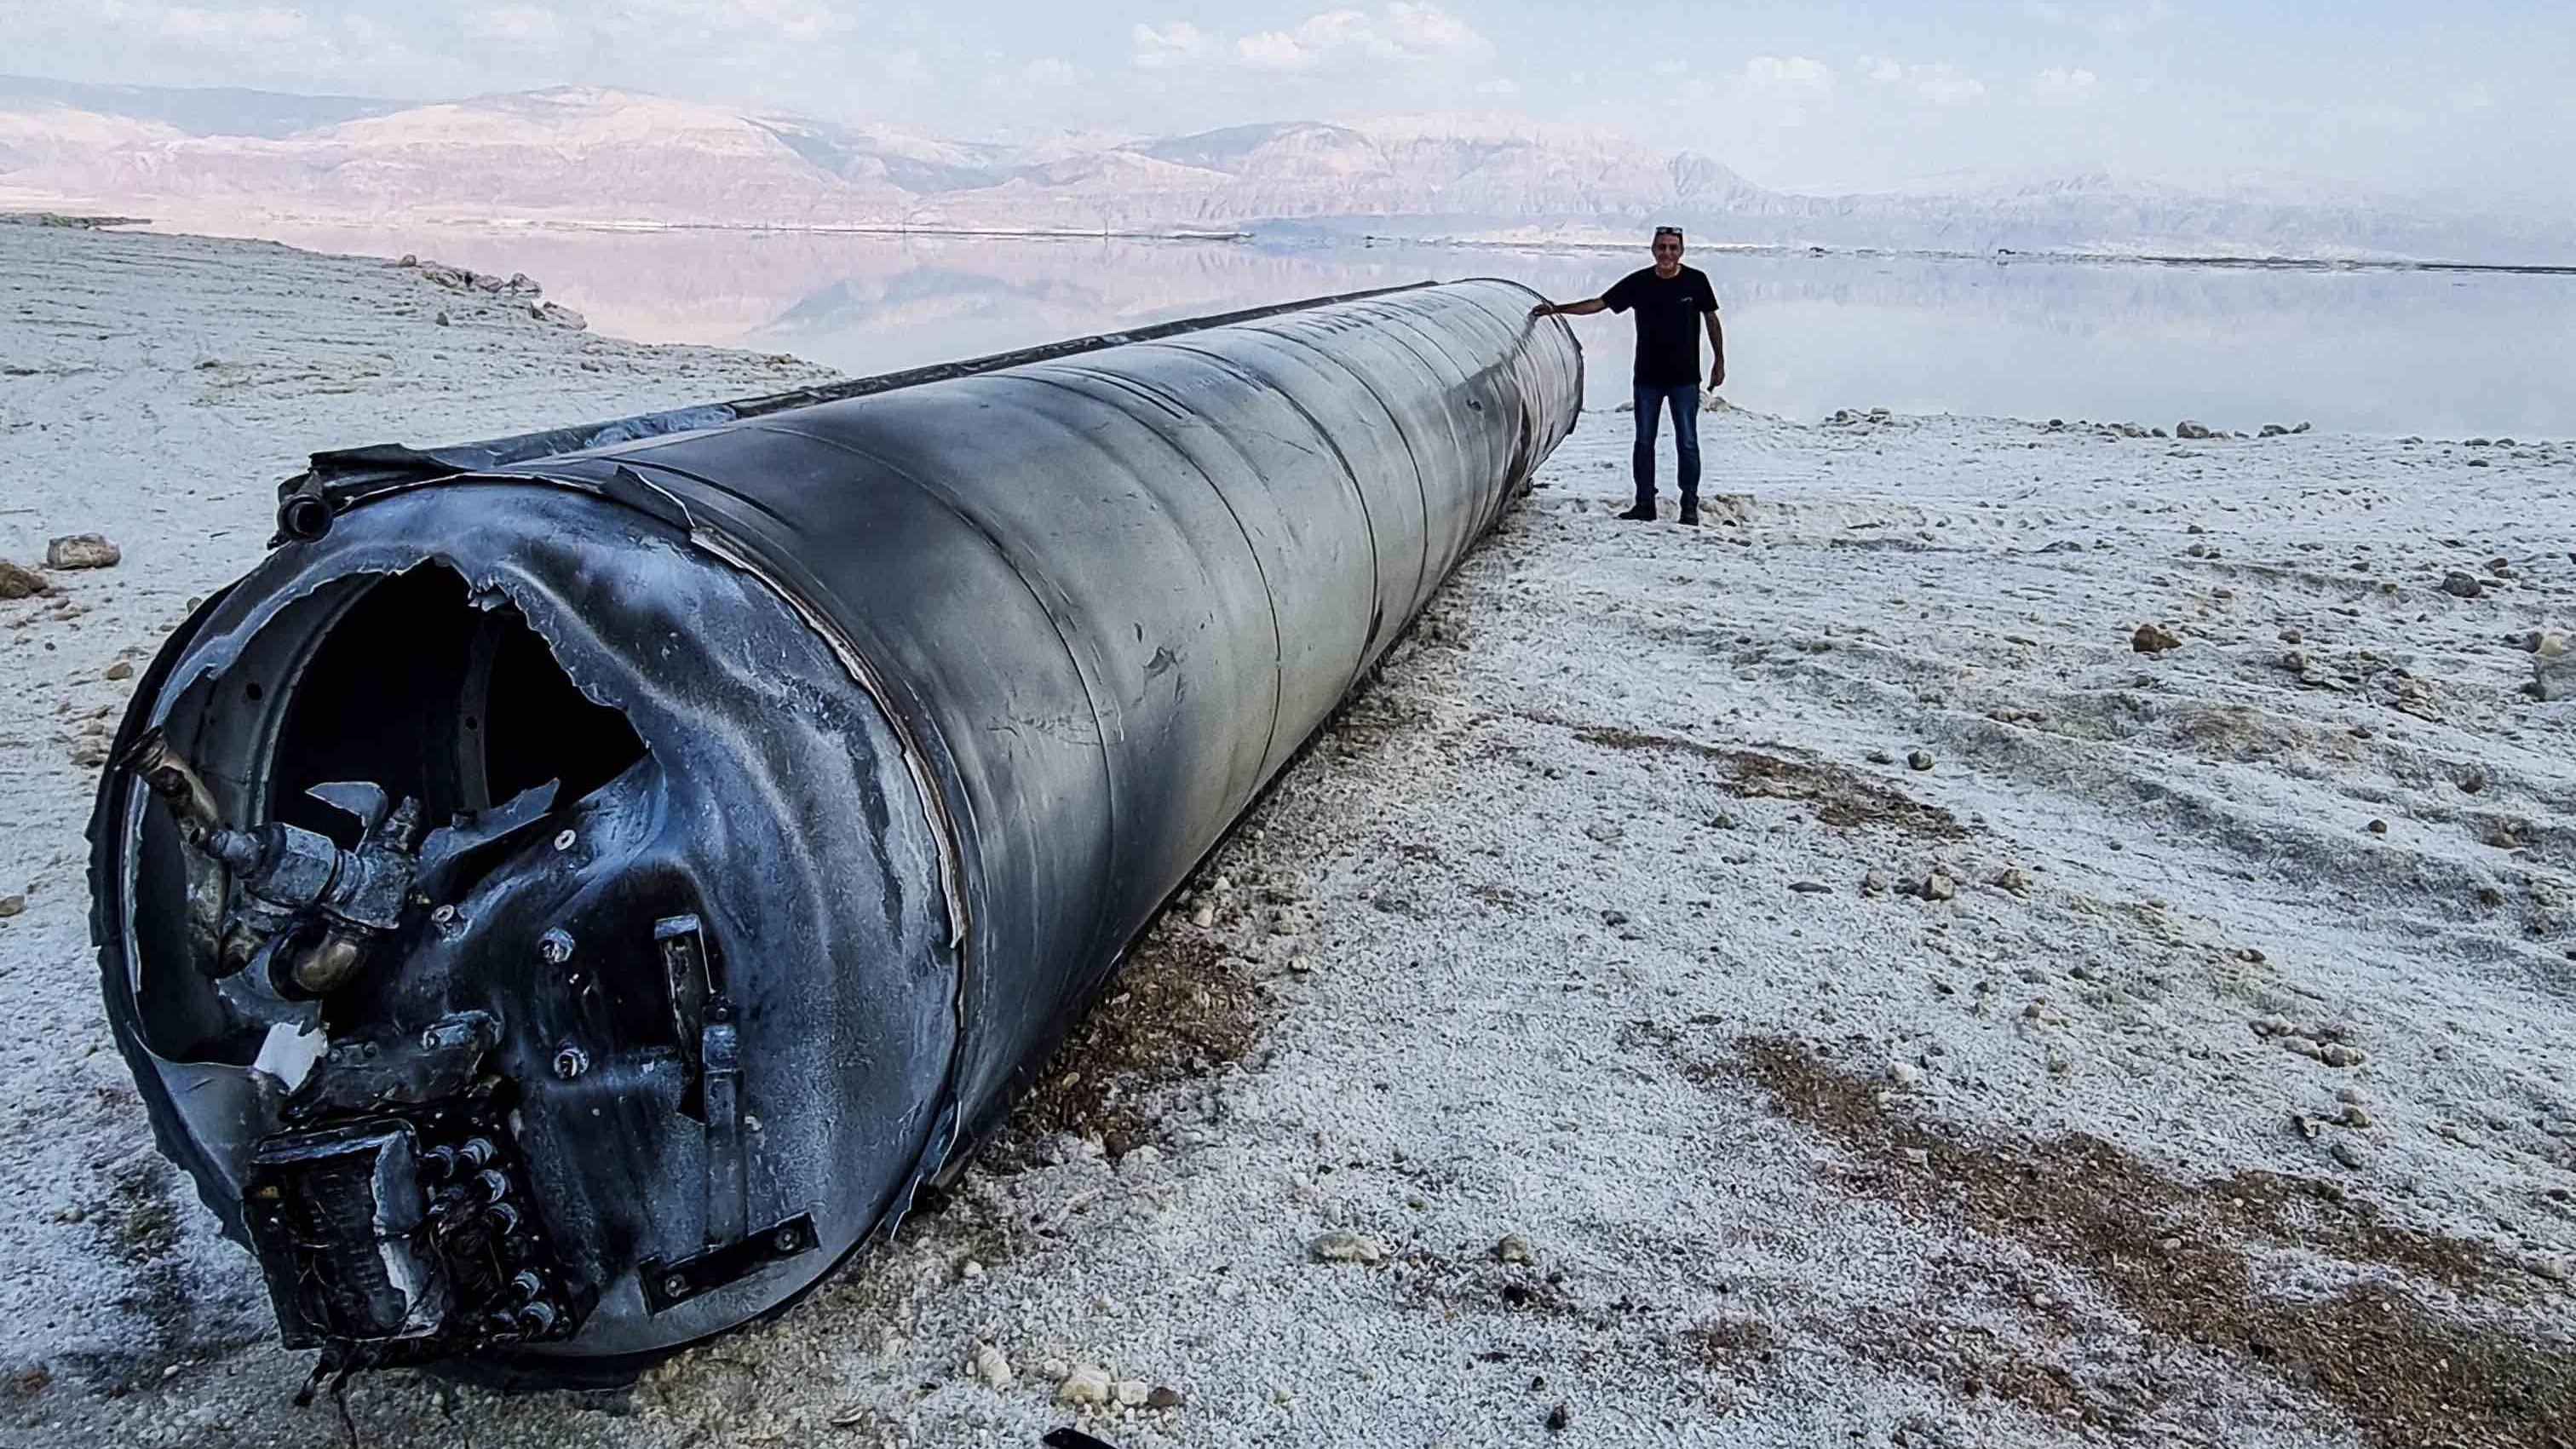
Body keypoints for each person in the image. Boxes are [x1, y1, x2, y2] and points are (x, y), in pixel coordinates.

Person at [1529, 226, 1724, 524]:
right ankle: (1645, 503)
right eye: (1661, 247)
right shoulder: (1640, 282)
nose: (1667, 253)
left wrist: (1719, 361)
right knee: (1644, 441)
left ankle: (1689, 506)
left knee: (1687, 441)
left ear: (1681, 251)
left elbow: (1711, 319)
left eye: (1673, 247)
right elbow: (1599, 304)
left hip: (1685, 378)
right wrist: (1558, 309)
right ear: (1653, 250)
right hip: (1647, 377)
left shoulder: (1696, 281)